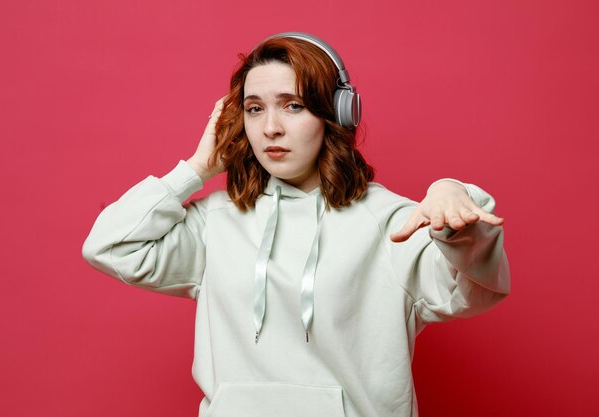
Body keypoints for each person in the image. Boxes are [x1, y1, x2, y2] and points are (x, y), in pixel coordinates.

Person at [82, 32, 510, 417]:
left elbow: (474, 288)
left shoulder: (391, 222)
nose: (270, 128)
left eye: (293, 106)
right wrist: (195, 169)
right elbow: (108, 246)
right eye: (254, 109)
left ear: (336, 114)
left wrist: (455, 202)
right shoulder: (215, 222)